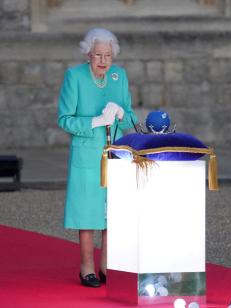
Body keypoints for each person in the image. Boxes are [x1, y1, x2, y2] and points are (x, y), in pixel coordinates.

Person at [57, 28, 138, 288]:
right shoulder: (75, 76)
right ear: (88, 54)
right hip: (86, 155)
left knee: (111, 212)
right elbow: (64, 119)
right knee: (88, 212)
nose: (103, 61)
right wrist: (96, 121)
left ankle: (107, 265)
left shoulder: (119, 76)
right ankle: (87, 268)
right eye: (98, 55)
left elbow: (132, 118)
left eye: (108, 55)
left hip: (115, 154)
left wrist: (121, 115)